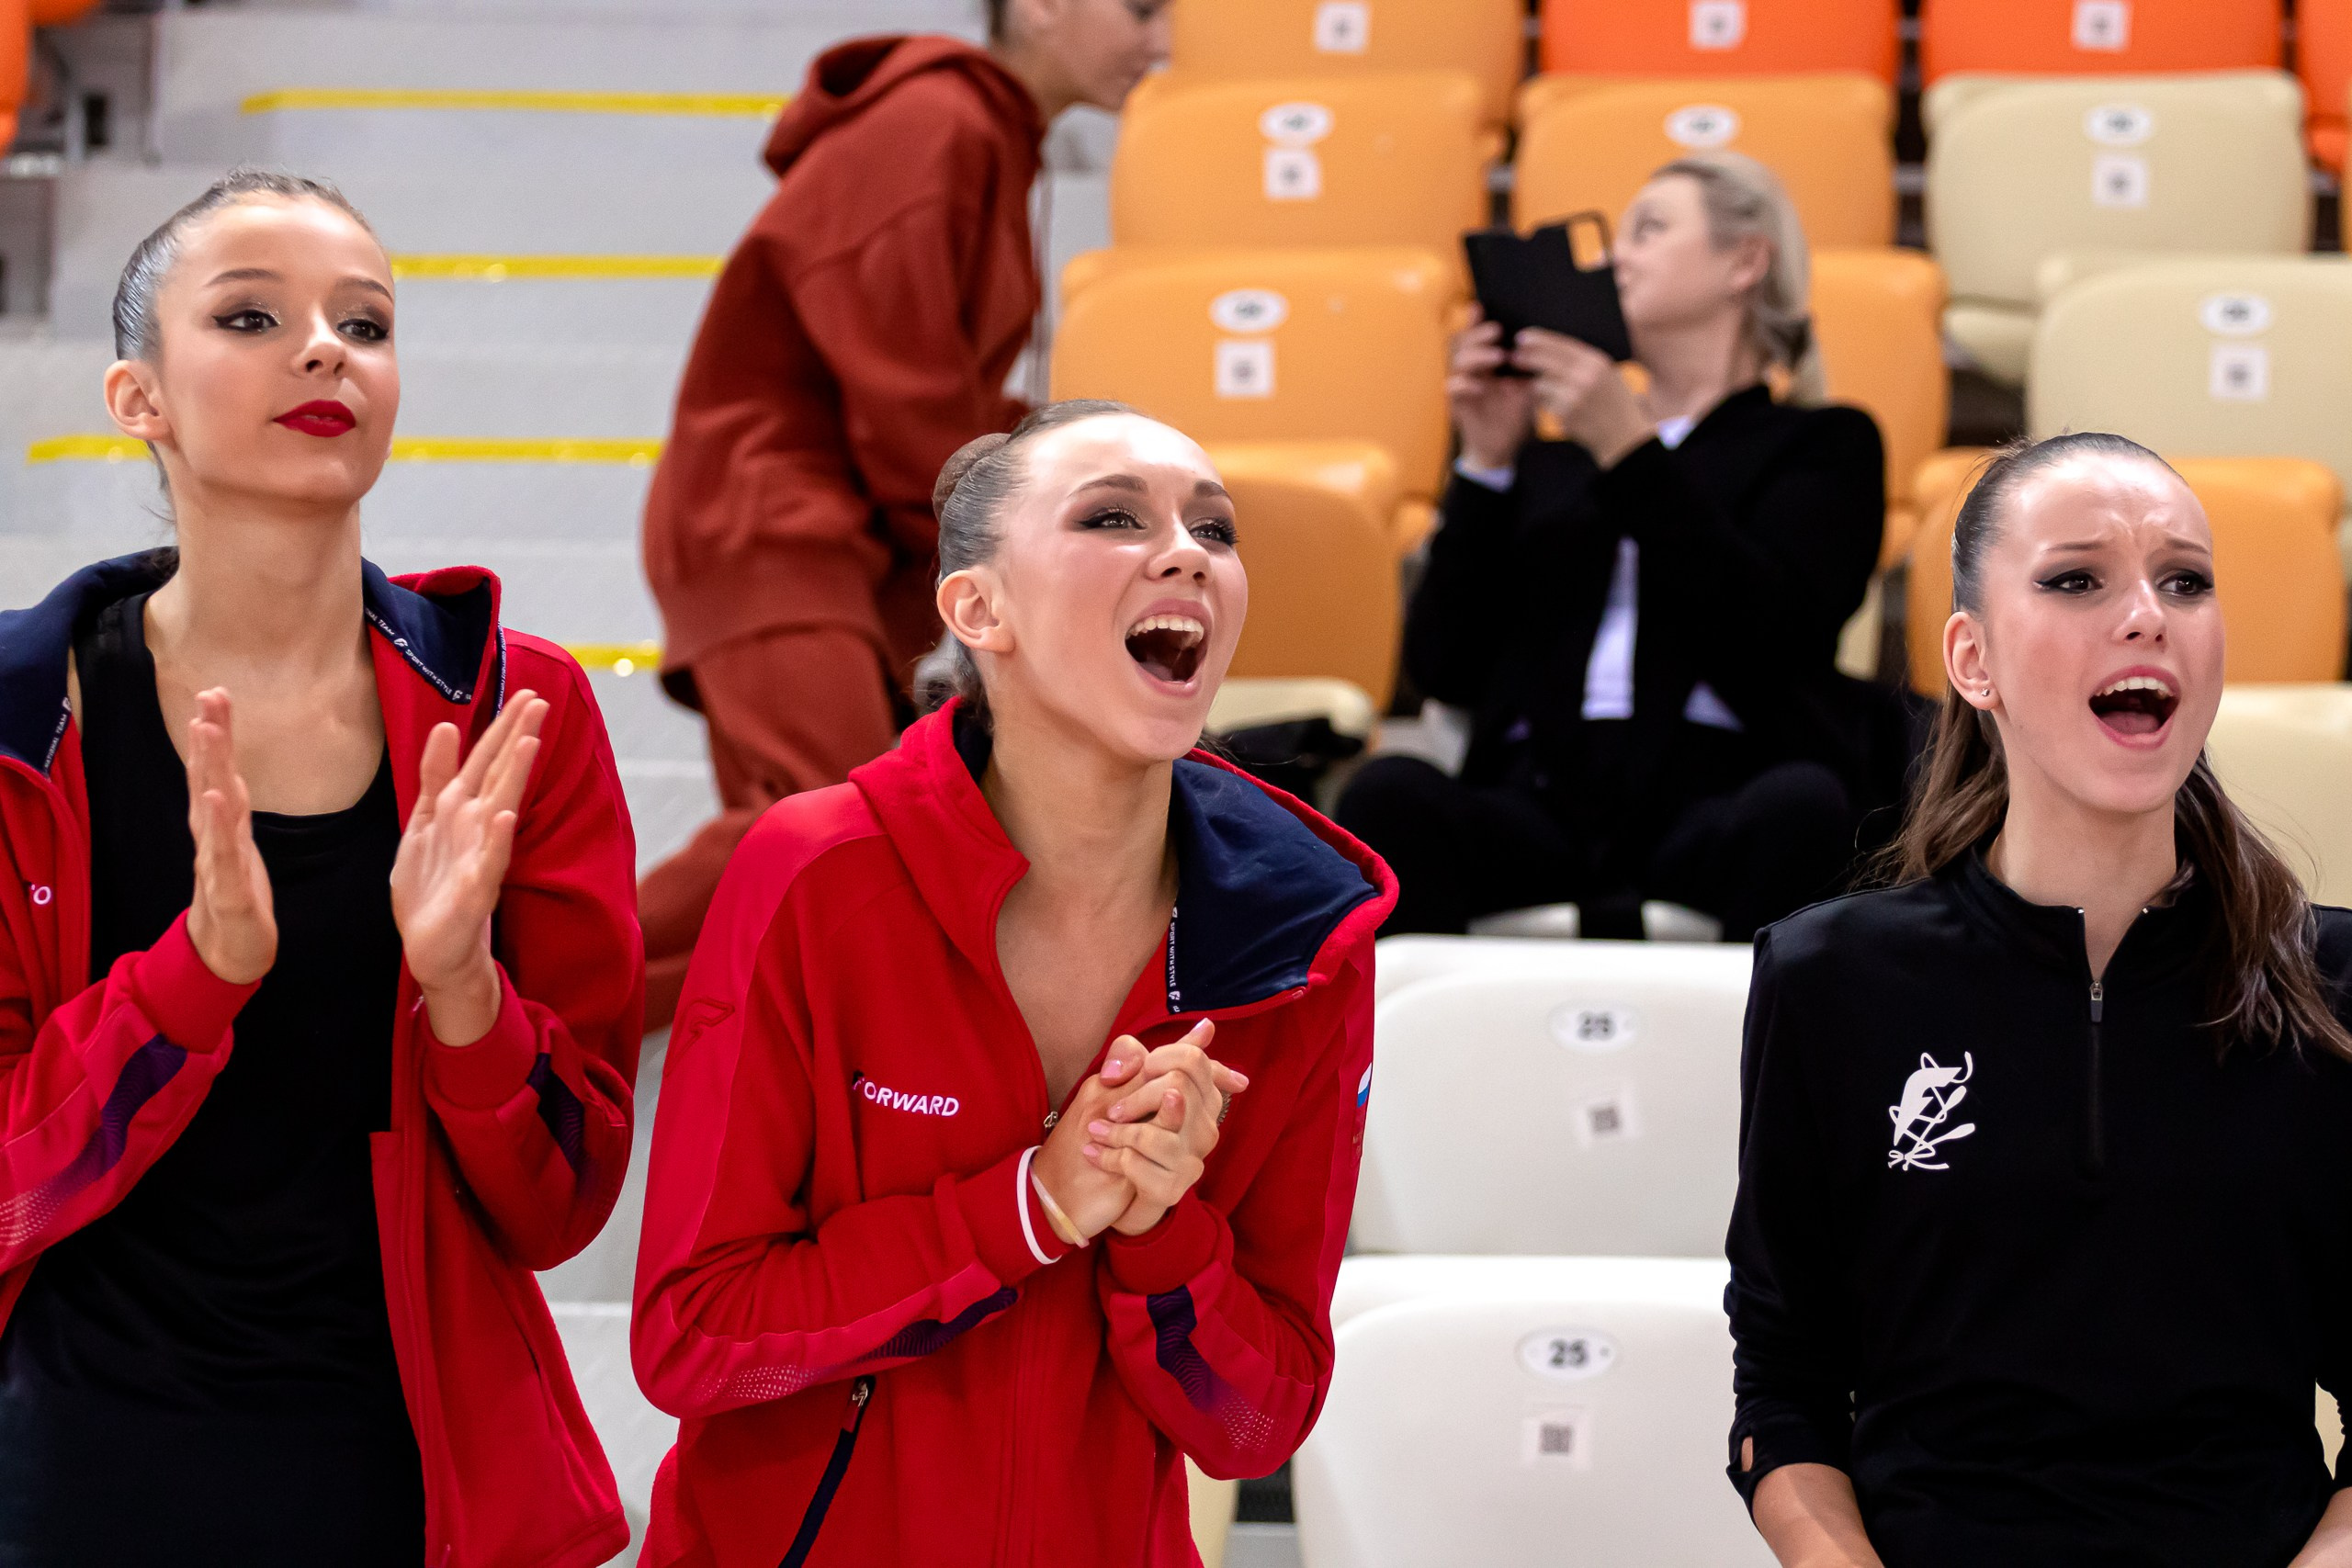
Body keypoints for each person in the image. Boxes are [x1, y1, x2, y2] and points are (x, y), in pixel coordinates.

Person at [0, 171, 644, 1566]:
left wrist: (465, 990)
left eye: (367, 323)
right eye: (250, 315)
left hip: (402, 1478)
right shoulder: (14, 718)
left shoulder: (510, 706)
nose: (325, 352)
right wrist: (193, 979)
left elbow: (565, 1196)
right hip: (76, 1475)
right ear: (137, 397)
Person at [630, 401, 1396, 1567]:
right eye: (1111, 518)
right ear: (978, 608)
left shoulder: (1301, 944)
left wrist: (1160, 1236)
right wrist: (1029, 1209)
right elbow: (692, 1335)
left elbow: (1256, 1424)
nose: (1186, 550)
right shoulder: (814, 875)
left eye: (1215, 530)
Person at [1727, 432, 2352, 1567]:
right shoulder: (1830, 979)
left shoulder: (2335, 986)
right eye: (2076, 580)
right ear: (1973, 661)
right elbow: (1784, 1387)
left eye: (2185, 580)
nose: (2147, 616)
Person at [636, 0, 1171, 1028]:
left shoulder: (986, 137)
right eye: (1140, 10)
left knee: (831, 844)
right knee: (815, 820)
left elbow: (933, 396)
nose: (1162, 41)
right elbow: (901, 385)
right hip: (775, 519)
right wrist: (1025, 525)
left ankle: (513, 1015)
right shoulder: (939, 122)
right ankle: (496, 999)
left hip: (823, 528)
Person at [1335, 151, 1890, 941]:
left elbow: (1777, 639)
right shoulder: (1552, 461)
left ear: (1745, 260)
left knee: (1806, 807)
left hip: (1719, 788)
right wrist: (1488, 464)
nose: (1617, 257)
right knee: (1387, 796)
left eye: (1651, 230)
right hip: (1541, 791)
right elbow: (1444, 665)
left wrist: (1629, 453)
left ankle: (1770, 1066)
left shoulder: (1822, 443)